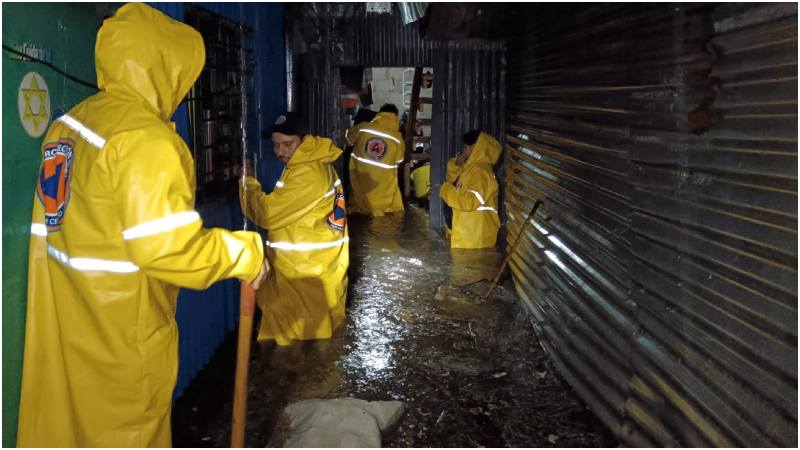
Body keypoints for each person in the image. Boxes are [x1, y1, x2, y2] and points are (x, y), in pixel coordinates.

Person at [17, 4, 268, 447]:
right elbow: (168, 249)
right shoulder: (147, 141)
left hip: (68, 321)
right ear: (163, 67)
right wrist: (244, 252)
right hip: (121, 339)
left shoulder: (69, 127)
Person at [240, 112, 349, 346]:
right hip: (310, 269)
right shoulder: (310, 164)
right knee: (311, 345)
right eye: (276, 145)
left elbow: (267, 213)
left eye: (288, 144)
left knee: (301, 350)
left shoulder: (308, 174)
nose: (281, 152)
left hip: (304, 274)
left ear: (305, 139)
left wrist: (248, 184)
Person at [440, 130, 502, 249]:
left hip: (474, 237)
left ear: (475, 147)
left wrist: (446, 190)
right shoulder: (471, 168)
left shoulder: (480, 172)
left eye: (465, 147)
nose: (463, 150)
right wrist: (456, 165)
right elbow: (451, 178)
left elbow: (470, 202)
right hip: (469, 234)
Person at [346, 103, 405, 216]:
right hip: (384, 191)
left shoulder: (363, 128)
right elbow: (399, 160)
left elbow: (348, 140)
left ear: (379, 114)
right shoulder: (397, 137)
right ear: (395, 117)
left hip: (361, 183)